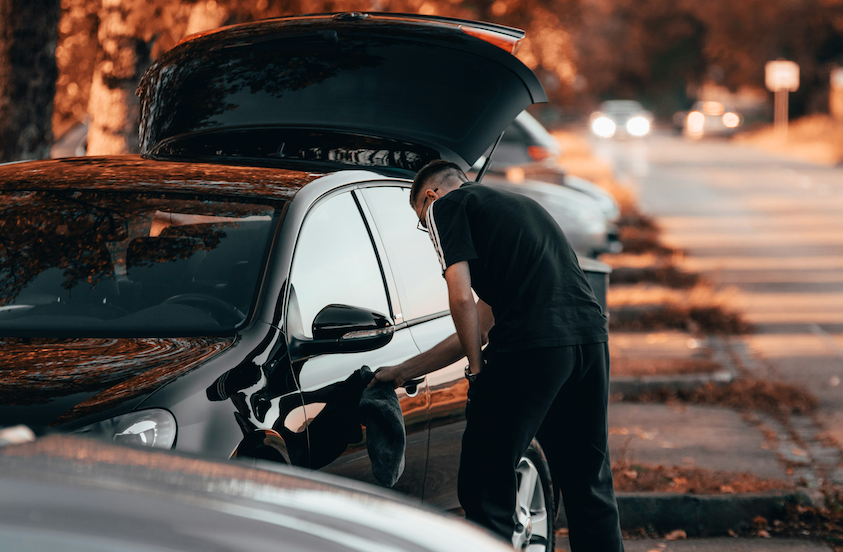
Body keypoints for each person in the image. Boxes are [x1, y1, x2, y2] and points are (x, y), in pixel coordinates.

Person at [371, 159, 624, 551]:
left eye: (421, 218)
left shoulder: (446, 206)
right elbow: (484, 324)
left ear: (431, 195)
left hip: (532, 347)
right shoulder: (519, 210)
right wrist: (405, 370)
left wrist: (476, 371)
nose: (428, 227)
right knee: (587, 483)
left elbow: (460, 296)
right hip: (589, 343)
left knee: (485, 482)